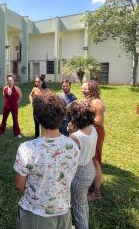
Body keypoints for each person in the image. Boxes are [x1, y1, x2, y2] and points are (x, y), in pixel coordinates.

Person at [14, 93, 80, 229]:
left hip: (36, 213)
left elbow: (20, 184)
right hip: (63, 211)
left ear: (37, 117)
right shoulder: (73, 146)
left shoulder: (27, 149)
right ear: (62, 117)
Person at [67, 100, 98, 229]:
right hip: (89, 169)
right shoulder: (93, 129)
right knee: (82, 203)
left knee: (77, 207)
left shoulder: (75, 137)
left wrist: (69, 132)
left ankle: (82, 226)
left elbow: (68, 158)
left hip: (78, 173)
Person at [81, 81, 106, 201]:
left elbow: (99, 122)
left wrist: (82, 119)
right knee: (90, 158)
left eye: (85, 89)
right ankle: (91, 185)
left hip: (96, 133)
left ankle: (97, 193)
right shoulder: (89, 100)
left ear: (92, 90)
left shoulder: (97, 103)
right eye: (82, 88)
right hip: (90, 132)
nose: (82, 90)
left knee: (95, 160)